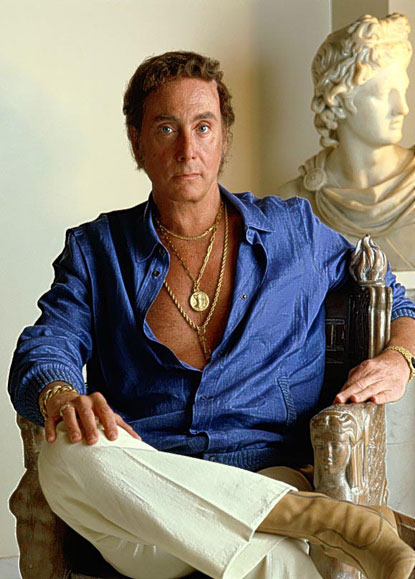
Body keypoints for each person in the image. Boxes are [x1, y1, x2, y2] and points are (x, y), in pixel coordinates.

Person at [8, 50, 415, 579]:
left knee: (256, 550)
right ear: (136, 141)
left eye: (203, 127)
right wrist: (61, 396)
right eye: (166, 129)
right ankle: (328, 521)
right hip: (145, 483)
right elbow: (45, 345)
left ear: (224, 138)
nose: (188, 149)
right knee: (65, 456)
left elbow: (393, 295)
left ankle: (297, 519)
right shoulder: (98, 250)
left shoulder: (293, 231)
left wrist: (400, 357)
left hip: (266, 472)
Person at [278, 13, 415, 272]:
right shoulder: (293, 204)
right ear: (338, 101)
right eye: (384, 94)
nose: (402, 108)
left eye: (403, 91)